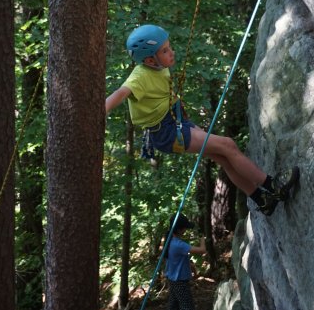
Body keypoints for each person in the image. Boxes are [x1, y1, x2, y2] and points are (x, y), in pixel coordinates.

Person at [106, 24, 299, 215]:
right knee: (228, 145)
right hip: (166, 132)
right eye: (165, 50)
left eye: (169, 46)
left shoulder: (160, 66)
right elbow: (122, 92)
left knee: (223, 156)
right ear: (149, 60)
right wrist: (102, 109)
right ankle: (272, 186)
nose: (171, 52)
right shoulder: (139, 76)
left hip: (174, 121)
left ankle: (261, 199)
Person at [164, 213, 205, 310]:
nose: (186, 231)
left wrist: (192, 268)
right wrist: (202, 239)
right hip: (179, 281)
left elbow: (181, 258)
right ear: (180, 229)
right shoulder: (178, 244)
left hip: (172, 279)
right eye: (185, 228)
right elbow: (202, 250)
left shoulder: (169, 240)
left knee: (173, 307)